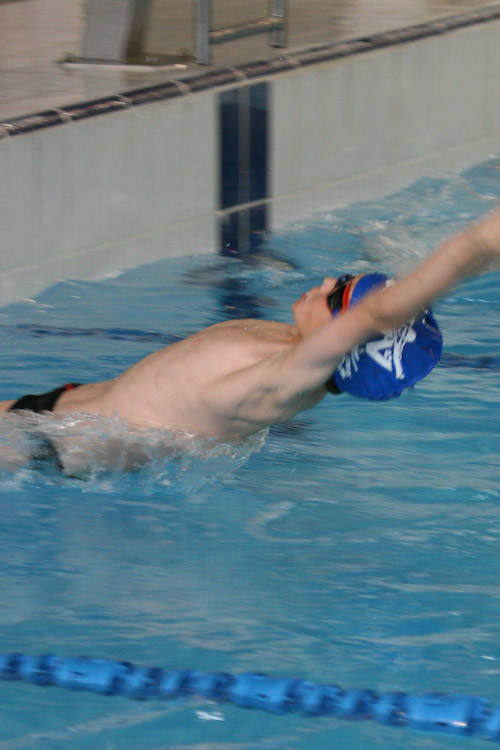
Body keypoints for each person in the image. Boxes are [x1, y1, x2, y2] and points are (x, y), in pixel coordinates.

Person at [1, 207, 500, 472]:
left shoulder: (288, 376)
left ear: (343, 338)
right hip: (62, 414)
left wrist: (475, 243)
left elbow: (380, 313)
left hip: (57, 448)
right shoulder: (296, 354)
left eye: (339, 292)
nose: (328, 281)